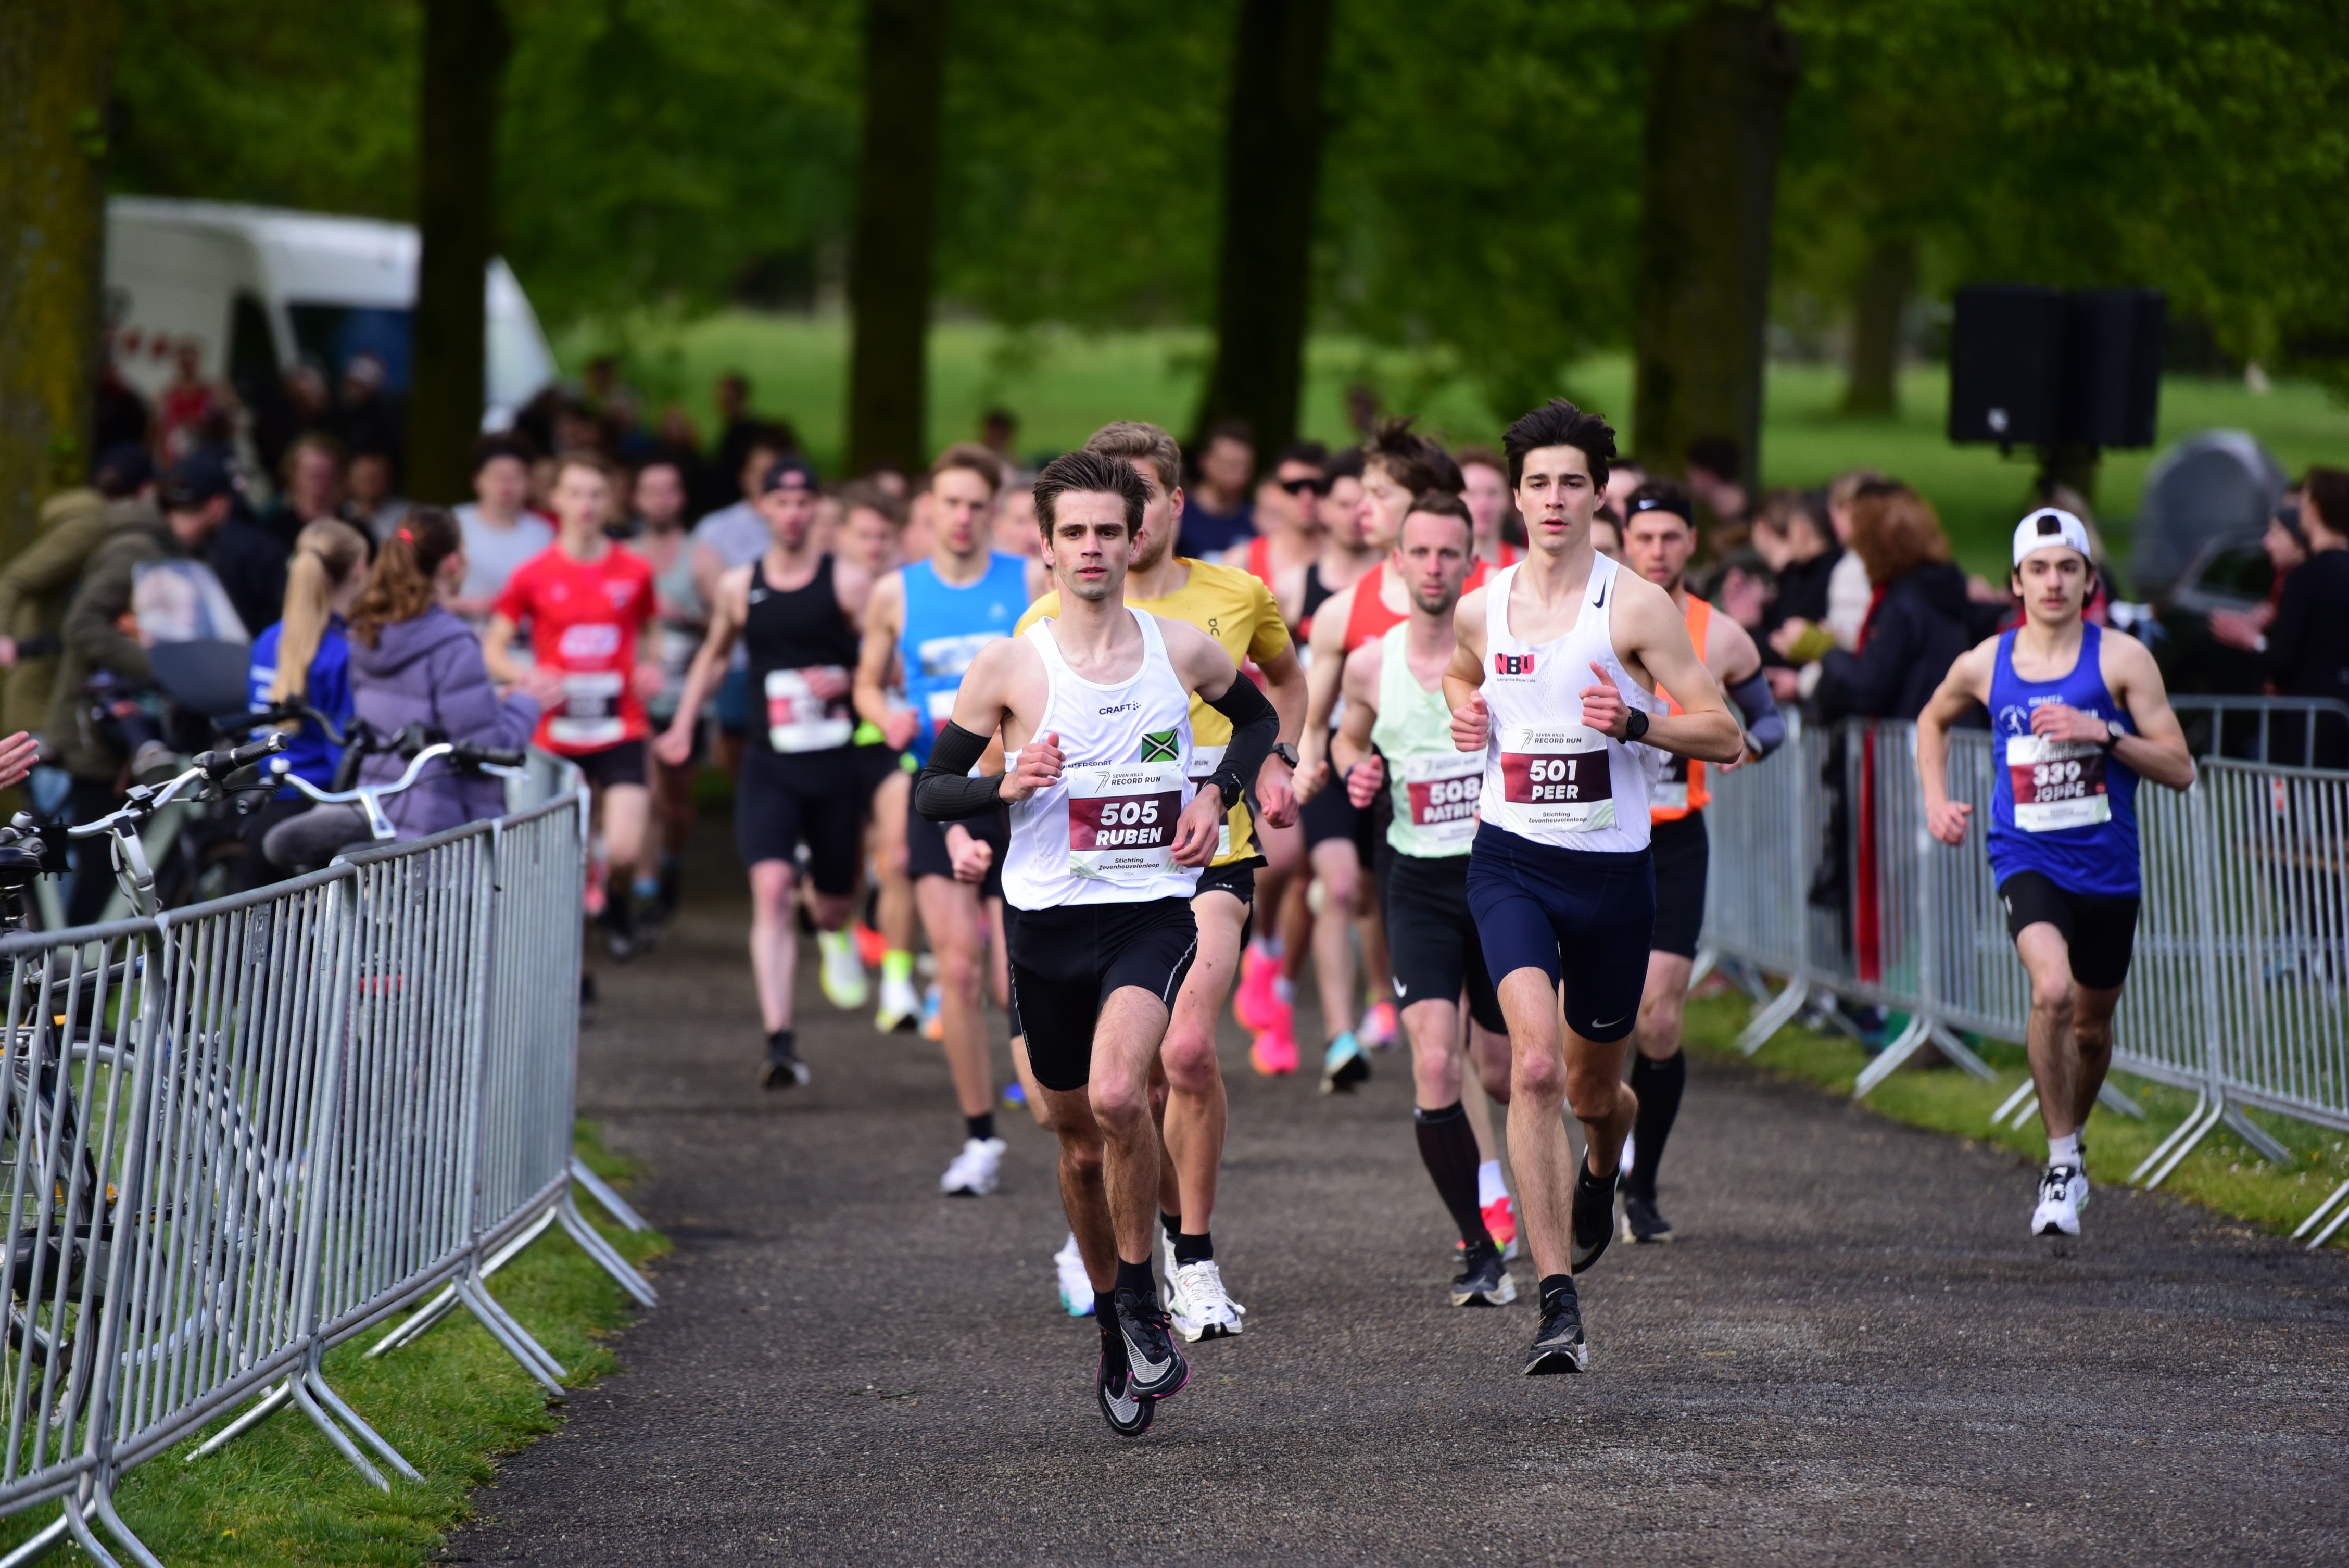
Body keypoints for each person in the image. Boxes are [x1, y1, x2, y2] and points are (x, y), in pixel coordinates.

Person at [915, 448, 1281, 1436]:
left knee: (1125, 1093)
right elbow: (930, 790)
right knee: (1075, 1140)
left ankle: (1137, 1295)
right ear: (1043, 546)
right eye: (1071, 531)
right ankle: (1115, 1327)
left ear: (1135, 538)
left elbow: (1258, 719)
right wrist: (1005, 784)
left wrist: (1216, 791)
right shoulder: (1009, 665)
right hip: (1042, 926)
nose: (1090, 547)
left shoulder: (1183, 649)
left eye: (1106, 531)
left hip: (1150, 912)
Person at [1443, 398, 1741, 1375]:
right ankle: (1556, 1300)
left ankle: (1603, 1163)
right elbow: (1458, 672)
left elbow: (1726, 732)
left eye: (1573, 481)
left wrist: (1638, 724)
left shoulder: (1637, 607)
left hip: (1613, 875)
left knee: (1594, 1090)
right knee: (1532, 1068)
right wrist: (1465, 716)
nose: (1555, 498)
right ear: (1515, 498)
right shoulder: (1483, 604)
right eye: (1538, 483)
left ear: (1596, 492)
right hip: (1511, 860)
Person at [1015, 422, 1303, 1338]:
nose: (1115, 528)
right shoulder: (1046, 620)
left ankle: (1198, 1256)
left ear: (1170, 505)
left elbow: (1282, 685)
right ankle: (1111, 1229)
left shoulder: (1234, 594)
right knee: (1115, 1096)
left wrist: (1274, 766)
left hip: (1207, 849)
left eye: (1132, 504)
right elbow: (999, 738)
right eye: (1094, 516)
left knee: (1181, 1052)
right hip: (1095, 872)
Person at [1917, 508, 2195, 1237]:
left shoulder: (2123, 661)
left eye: (2067, 568)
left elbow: (2182, 768)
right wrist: (1937, 799)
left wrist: (2103, 732)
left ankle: (2073, 1143)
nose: (2053, 581)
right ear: (2016, 582)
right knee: (2053, 990)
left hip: (2107, 869)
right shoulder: (1987, 661)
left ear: (2089, 580)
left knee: (2093, 1033)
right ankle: (2062, 1161)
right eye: (2038, 569)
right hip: (2025, 854)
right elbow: (1932, 720)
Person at [1330, 492, 1518, 1306]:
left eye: (1451, 554)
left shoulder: (1504, 648)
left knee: (1507, 1073)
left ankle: (1552, 1172)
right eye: (1422, 554)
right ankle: (1478, 1245)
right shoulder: (1370, 661)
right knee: (1435, 1064)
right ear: (1397, 562)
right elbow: (1347, 731)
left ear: (1472, 562)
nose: (1436, 569)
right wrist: (1354, 767)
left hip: (1502, 874)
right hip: (1418, 881)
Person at [655, 459, 875, 1089]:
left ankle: (826, 915)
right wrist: (683, 724)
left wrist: (849, 676)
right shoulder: (737, 585)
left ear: (816, 510)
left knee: (832, 907)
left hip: (836, 765)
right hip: (770, 763)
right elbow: (714, 655)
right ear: (764, 511)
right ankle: (779, 1040)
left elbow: (885, 663)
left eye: (804, 502)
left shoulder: (849, 584)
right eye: (780, 502)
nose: (793, 513)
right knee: (771, 889)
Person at [855, 446, 1035, 1196]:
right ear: (928, 510)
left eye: (975, 505)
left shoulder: (1026, 580)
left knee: (1007, 976)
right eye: (949, 504)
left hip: (1014, 790)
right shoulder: (894, 595)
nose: (961, 519)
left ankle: (1065, 1109)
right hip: (936, 790)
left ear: (993, 511)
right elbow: (867, 683)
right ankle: (981, 1138)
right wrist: (884, 715)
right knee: (957, 966)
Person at [1615, 480, 1785, 1244]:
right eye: (1644, 537)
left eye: (1671, 538)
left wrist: (1753, 742)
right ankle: (1600, 1149)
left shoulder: (1720, 635)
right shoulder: (1598, 613)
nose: (1657, 551)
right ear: (1625, 540)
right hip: (1593, 833)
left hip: (1675, 837)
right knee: (1590, 1023)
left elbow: (1772, 716)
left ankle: (1642, 1185)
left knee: (1657, 1013)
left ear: (1692, 543)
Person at [1292, 420, 1468, 1088]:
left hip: (1454, 796)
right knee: (1341, 887)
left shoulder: (1475, 599)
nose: (1361, 508)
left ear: (1423, 501)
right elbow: (1317, 720)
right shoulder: (1343, 610)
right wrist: (1317, 763)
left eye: (1378, 493)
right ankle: (1341, 1036)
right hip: (1360, 773)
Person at [267, 510, 558, 866]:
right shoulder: (451, 642)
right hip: (444, 831)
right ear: (453, 563)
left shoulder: (368, 631)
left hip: (384, 808)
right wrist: (527, 703)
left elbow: (418, 710)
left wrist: (494, 702)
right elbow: (485, 747)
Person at [486, 453, 663, 957]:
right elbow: (493, 648)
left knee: (625, 848)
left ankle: (620, 894)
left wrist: (652, 665)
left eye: (596, 494)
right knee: (571, 858)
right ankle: (579, 975)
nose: (586, 505)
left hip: (621, 724)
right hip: (557, 731)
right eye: (576, 493)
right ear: (556, 500)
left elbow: (652, 630)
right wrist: (526, 675)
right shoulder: (532, 574)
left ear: (611, 502)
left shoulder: (634, 569)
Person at [835, 481, 924, 1032]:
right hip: (828, 744)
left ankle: (897, 983)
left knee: (899, 856)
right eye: (862, 535)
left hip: (891, 742)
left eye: (883, 536)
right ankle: (836, 928)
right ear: (841, 535)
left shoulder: (906, 592)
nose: (873, 545)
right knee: (837, 863)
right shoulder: (823, 589)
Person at [245, 519, 369, 872]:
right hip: (316, 824)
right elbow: (345, 755)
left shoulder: (267, 640)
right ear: (360, 569)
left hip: (266, 809)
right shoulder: (344, 652)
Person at [2212, 467, 2349, 764]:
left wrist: (2252, 641)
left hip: (2306, 724)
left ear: (2314, 512)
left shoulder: (2306, 576)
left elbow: (2282, 659)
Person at [1810, 482, 1974, 725]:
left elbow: (1868, 688)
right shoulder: (1940, 589)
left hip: (1912, 746)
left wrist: (1826, 650)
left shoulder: (1901, 604)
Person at [634, 458, 705, 917]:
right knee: (647, 795)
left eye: (670, 490)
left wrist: (689, 618)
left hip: (686, 699)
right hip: (637, 697)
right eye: (651, 491)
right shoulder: (622, 554)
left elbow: (730, 626)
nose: (661, 500)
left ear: (681, 498)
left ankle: (672, 859)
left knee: (677, 803)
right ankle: (644, 887)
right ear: (636, 499)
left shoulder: (702, 556)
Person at [451, 438, 553, 625]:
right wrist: (465, 604)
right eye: (497, 476)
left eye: (515, 477)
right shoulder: (452, 524)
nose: (506, 486)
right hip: (461, 633)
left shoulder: (544, 533)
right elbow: (420, 590)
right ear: (477, 481)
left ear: (530, 483)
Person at [1227, 441, 1326, 584]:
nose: (1306, 497)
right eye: (1294, 487)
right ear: (1275, 492)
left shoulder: (1347, 560)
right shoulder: (1241, 562)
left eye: (1316, 487)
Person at [1181, 421, 1256, 557]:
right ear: (1204, 461)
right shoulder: (1179, 516)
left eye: (1242, 466)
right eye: (1227, 464)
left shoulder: (1255, 521)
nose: (1234, 474)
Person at [1458, 446, 1523, 569]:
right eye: (1471, 493)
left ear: (1510, 499)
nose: (1483, 503)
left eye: (1492, 493)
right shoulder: (1439, 567)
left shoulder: (1526, 565)